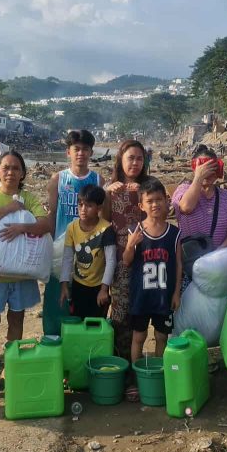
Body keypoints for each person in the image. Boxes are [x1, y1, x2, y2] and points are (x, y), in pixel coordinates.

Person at [0, 150, 53, 389]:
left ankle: (11, 366)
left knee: (16, 319)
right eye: (6, 168)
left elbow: (46, 224)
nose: (10, 172)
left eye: (16, 168)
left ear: (22, 174)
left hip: (22, 274)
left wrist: (21, 227)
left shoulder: (28, 198)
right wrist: (9, 210)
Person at [122, 178, 181, 402]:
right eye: (150, 201)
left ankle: (159, 375)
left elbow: (178, 265)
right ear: (141, 206)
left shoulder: (174, 233)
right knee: (138, 336)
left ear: (166, 202)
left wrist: (176, 292)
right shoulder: (135, 230)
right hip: (141, 296)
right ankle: (136, 380)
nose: (155, 204)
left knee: (161, 336)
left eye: (159, 200)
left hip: (163, 297)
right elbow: (126, 261)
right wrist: (130, 245)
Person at [43, 130, 101, 336]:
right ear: (68, 152)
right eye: (77, 149)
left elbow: (103, 218)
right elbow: (51, 215)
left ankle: (83, 341)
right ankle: (54, 337)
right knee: (57, 297)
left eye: (85, 149)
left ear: (91, 152)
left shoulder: (97, 180)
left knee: (85, 296)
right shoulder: (58, 179)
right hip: (61, 249)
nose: (81, 153)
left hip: (89, 249)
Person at [103, 140, 151, 359]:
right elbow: (102, 220)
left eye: (139, 158)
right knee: (120, 310)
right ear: (120, 160)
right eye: (130, 158)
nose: (135, 163)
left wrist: (143, 192)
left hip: (148, 254)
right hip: (120, 256)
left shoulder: (151, 185)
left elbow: (162, 210)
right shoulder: (111, 188)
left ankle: (138, 365)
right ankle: (120, 362)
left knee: (142, 309)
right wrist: (105, 192)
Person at [172, 145, 227, 282]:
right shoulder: (183, 190)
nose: (208, 173)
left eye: (212, 168)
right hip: (190, 263)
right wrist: (198, 178)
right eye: (204, 168)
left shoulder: (225, 196)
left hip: (217, 264)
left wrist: (222, 248)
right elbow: (186, 207)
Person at [59, 184, 117, 319]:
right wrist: (64, 285)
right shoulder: (72, 227)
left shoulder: (106, 229)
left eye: (89, 205)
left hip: (98, 286)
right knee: (77, 321)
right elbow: (67, 258)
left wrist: (104, 289)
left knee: (95, 323)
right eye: (80, 205)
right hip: (78, 285)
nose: (83, 209)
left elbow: (111, 261)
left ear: (99, 208)